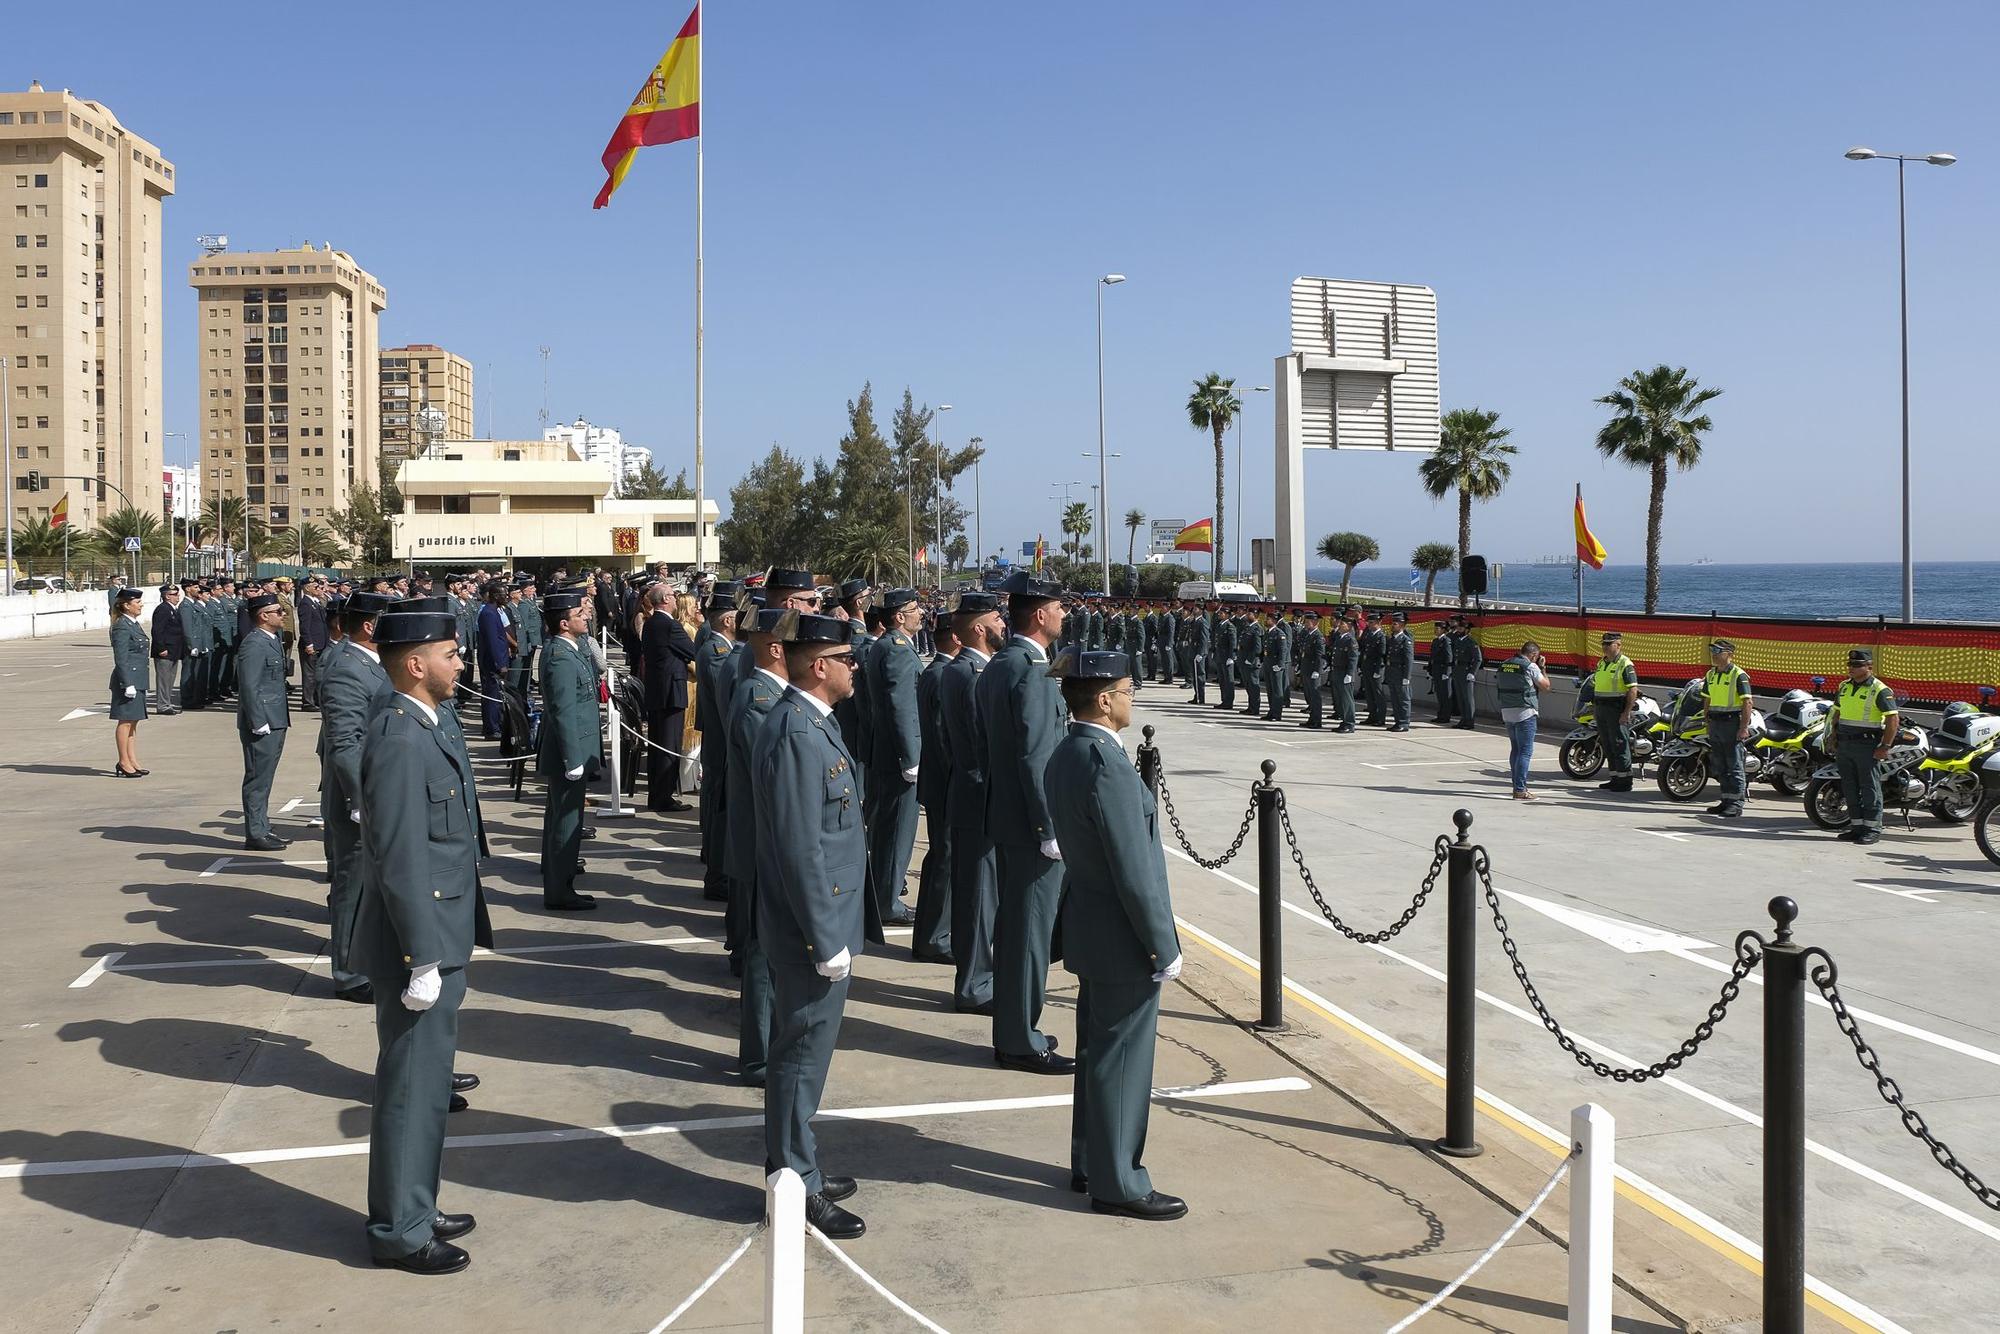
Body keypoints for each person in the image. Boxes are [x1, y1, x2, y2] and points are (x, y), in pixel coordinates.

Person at [351, 608, 493, 1275]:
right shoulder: (401, 737)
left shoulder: (427, 724)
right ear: (416, 664)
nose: (460, 664)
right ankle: (399, 1231)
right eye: (450, 654)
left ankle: (415, 1200)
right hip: (422, 943)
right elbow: (401, 855)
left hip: (441, 933)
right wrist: (421, 958)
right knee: (410, 1089)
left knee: (428, 1085)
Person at [1046, 649, 1186, 1221]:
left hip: (1091, 927)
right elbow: (1135, 869)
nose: (1132, 699)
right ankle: (1119, 1182)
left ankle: (1092, 1161)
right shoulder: (1106, 766)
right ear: (1104, 701)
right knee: (1122, 1061)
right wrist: (1163, 943)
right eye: (1128, 690)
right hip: (1123, 937)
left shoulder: (1067, 754)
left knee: (1099, 1055)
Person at [752, 611, 869, 1241]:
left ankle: (801, 1169)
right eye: (847, 657)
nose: (856, 666)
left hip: (822, 919)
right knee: (799, 1058)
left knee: (806, 1057)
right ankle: (793, 1182)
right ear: (818, 665)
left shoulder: (811, 724)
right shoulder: (798, 733)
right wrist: (826, 938)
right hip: (811, 929)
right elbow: (800, 848)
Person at [979, 572, 1076, 1075]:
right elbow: (1036, 757)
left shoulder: (1002, 664)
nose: (1064, 614)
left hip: (1008, 819)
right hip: (1031, 827)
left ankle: (1015, 1030)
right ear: (1040, 615)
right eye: (1059, 607)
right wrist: (1050, 829)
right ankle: (1020, 1038)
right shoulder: (1031, 671)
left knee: (1018, 929)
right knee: (1027, 937)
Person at [318, 590, 397, 1003]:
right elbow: (345, 743)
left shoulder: (368, 662)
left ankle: (363, 958)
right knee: (352, 884)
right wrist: (357, 800)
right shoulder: (347, 668)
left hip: (373, 787)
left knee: (369, 883)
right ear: (370, 626)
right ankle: (348, 973)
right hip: (357, 796)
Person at [725, 606, 791, 1084]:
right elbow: (771, 781)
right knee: (763, 952)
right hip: (762, 845)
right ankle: (759, 1055)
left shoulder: (772, 694)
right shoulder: (759, 699)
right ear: (774, 649)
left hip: (768, 843)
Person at [943, 592, 1004, 1014]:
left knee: (974, 894)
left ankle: (974, 975)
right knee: (980, 897)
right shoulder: (972, 674)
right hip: (979, 795)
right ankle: (975, 984)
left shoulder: (959, 669)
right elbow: (984, 743)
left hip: (967, 793)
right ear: (979, 628)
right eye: (997, 619)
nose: (1003, 624)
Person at [538, 593, 602, 910]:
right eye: (580, 613)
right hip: (569, 751)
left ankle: (560, 881)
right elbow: (563, 711)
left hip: (574, 746)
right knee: (566, 822)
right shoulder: (560, 656)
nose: (586, 616)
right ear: (564, 623)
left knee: (563, 819)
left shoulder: (568, 648)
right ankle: (560, 891)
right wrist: (572, 759)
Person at [865, 588, 924, 928]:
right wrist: (911, 757)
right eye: (914, 609)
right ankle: (887, 902)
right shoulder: (897, 650)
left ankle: (882, 895)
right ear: (899, 616)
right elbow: (902, 707)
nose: (920, 613)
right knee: (897, 831)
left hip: (887, 753)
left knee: (889, 828)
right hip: (897, 756)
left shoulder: (887, 646)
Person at [912, 616, 959, 965]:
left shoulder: (934, 672)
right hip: (946, 783)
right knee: (945, 860)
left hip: (937, 781)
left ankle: (931, 933)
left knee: (940, 858)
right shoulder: (944, 675)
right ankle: (935, 937)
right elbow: (946, 740)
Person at [693, 580, 742, 903]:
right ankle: (717, 875)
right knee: (718, 809)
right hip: (722, 740)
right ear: (727, 620)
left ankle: (716, 866)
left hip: (721, 738)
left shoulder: (718, 647)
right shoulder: (716, 651)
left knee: (718, 807)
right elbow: (729, 700)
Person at [237, 593, 291, 849]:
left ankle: (262, 826)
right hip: (264, 721)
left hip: (276, 717)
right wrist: (258, 720)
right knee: (258, 777)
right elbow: (249, 685)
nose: (283, 614)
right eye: (278, 611)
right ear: (264, 615)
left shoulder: (271, 640)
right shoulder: (255, 644)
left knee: (266, 777)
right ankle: (255, 833)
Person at [640, 582, 696, 814]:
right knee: (668, 745)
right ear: (664, 599)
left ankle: (657, 794)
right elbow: (692, 651)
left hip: (657, 691)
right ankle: (664, 797)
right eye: (673, 595)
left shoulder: (651, 623)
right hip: (670, 693)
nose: (676, 599)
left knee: (658, 745)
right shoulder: (669, 625)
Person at [1833, 648, 1898, 846]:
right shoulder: (1844, 686)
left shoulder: (1880, 690)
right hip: (1845, 743)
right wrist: (1832, 737)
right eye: (1850, 665)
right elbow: (1837, 713)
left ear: (1869, 667)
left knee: (1869, 787)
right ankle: (1857, 826)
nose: (1851, 668)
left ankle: (1872, 828)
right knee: (1849, 786)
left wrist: (1885, 746)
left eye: (1857, 665)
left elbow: (1893, 719)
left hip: (1866, 745)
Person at [1703, 640, 1755, 819]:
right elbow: (1707, 699)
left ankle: (1736, 803)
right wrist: (1707, 720)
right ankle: (1725, 800)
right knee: (1720, 765)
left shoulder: (1738, 675)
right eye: (1712, 650)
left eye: (1718, 651)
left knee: (1734, 765)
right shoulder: (1710, 674)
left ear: (1729, 654)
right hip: (1716, 723)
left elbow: (1747, 702)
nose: (1714, 654)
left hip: (1731, 722)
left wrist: (1743, 728)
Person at [1495, 641, 1551, 800]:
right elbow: (1546, 686)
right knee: (1525, 752)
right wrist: (1543, 669)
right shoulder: (1530, 666)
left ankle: (1517, 786)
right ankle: (1520, 789)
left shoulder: (1505, 664)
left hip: (1507, 712)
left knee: (1516, 750)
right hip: (1525, 712)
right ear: (1533, 655)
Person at [1590, 631, 1641, 793]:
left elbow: (1632, 689)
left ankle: (1625, 781)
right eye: (1603, 644)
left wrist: (1626, 713)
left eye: (1608, 644)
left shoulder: (1625, 664)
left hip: (1616, 709)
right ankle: (1614, 778)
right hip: (1601, 708)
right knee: (1608, 744)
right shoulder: (1602, 663)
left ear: (1618, 645)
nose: (1604, 647)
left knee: (1620, 744)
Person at [108, 586, 150, 778]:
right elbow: (121, 657)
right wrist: (127, 683)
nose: (140, 605)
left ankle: (132, 759)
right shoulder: (121, 626)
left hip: (138, 678)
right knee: (125, 722)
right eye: (137, 602)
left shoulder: (132, 623)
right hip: (129, 680)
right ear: (126, 606)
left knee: (133, 723)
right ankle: (123, 761)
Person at [475, 583, 512, 739]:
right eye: (504, 594)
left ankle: (495, 724)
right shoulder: (488, 613)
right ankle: (492, 729)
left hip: (497, 660)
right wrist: (500, 664)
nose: (507, 597)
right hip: (492, 663)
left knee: (496, 695)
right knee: (492, 696)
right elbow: (492, 641)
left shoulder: (494, 611)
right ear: (496, 596)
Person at [150, 582, 187, 715]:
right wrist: (161, 648)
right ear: (167, 596)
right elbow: (157, 631)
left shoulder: (172, 609)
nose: (178, 597)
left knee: (170, 679)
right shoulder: (163, 609)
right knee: (164, 680)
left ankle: (167, 703)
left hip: (174, 650)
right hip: (165, 651)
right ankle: (163, 705)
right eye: (175, 595)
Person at [298, 576, 331, 711]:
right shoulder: (306, 603)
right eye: (316, 587)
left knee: (318, 674)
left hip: (320, 643)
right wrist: (308, 644)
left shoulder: (315, 602)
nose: (319, 589)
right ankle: (308, 702)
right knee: (310, 675)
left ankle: (316, 700)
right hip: (312, 644)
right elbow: (305, 626)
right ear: (307, 588)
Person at [1328, 611, 1359, 733]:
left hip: (1344, 672)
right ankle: (1344, 720)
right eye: (1340, 623)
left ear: (1349, 626)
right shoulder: (1340, 638)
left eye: (1343, 624)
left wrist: (1350, 674)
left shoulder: (1350, 640)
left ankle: (1349, 723)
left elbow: (1353, 659)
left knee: (1347, 699)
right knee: (1340, 698)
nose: (1340, 625)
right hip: (1337, 671)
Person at [1295, 610, 1326, 729]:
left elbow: (1319, 656)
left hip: (1313, 670)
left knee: (1315, 697)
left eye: (1308, 621)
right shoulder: (1309, 634)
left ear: (1314, 622)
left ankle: (1317, 720)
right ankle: (1312, 718)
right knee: (1310, 696)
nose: (1305, 624)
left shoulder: (1318, 636)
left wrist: (1317, 671)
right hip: (1306, 669)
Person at [1385, 611, 1414, 731]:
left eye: (1396, 623)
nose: (1393, 625)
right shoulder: (1392, 639)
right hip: (1392, 672)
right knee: (1395, 699)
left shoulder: (1405, 640)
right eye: (1393, 623)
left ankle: (1404, 723)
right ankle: (1398, 721)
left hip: (1401, 672)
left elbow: (1409, 660)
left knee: (1403, 700)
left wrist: (1406, 677)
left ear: (1402, 625)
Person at [1261, 606, 1291, 722]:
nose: (1266, 621)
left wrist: (1280, 664)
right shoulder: (1268, 633)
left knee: (1277, 690)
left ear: (1273, 621)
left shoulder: (1280, 634)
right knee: (1270, 689)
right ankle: (1271, 711)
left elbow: (1283, 650)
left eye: (1268, 619)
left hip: (1276, 666)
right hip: (1268, 664)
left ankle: (1277, 713)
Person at [1453, 618, 1484, 729]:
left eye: (1461, 628)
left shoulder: (1471, 642)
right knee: (1460, 698)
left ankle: (1469, 721)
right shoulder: (1458, 640)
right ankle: (1463, 719)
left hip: (1466, 671)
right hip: (1457, 671)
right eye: (1458, 627)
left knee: (1468, 698)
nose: (1458, 630)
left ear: (1467, 630)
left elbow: (1478, 659)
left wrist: (1472, 672)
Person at [1360, 612, 1388, 726]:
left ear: (1378, 623)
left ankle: (1380, 718)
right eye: (1368, 622)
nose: (1369, 625)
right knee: (1369, 694)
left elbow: (1382, 655)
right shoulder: (1369, 635)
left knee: (1378, 695)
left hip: (1376, 669)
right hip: (1367, 668)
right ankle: (1372, 716)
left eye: (1371, 623)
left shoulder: (1381, 636)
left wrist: (1377, 671)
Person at [1428, 618, 1455, 724]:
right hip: (1436, 670)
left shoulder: (1446, 641)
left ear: (1443, 630)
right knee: (1439, 694)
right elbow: (1432, 657)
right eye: (1435, 628)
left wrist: (1447, 672)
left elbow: (1449, 657)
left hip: (1444, 671)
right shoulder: (1435, 641)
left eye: (1438, 628)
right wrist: (1429, 669)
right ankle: (1440, 715)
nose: (1435, 630)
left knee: (1445, 695)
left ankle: (1446, 716)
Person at [1238, 611, 1264, 717]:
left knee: (1253, 685)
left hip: (1252, 662)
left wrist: (1250, 659)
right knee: (1248, 685)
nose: (1248, 615)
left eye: (1250, 614)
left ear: (1255, 616)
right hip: (1244, 661)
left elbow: (1258, 648)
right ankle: (1251, 707)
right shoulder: (1248, 627)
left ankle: (1255, 708)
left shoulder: (1257, 628)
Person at [1214, 605, 1239, 712]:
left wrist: (1231, 657)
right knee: (1222, 680)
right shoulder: (1220, 625)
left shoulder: (1230, 627)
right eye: (1219, 613)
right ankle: (1224, 700)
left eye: (1222, 613)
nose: (1220, 614)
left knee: (1229, 680)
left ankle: (1229, 702)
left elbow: (1233, 643)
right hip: (1220, 656)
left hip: (1227, 657)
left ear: (1227, 615)